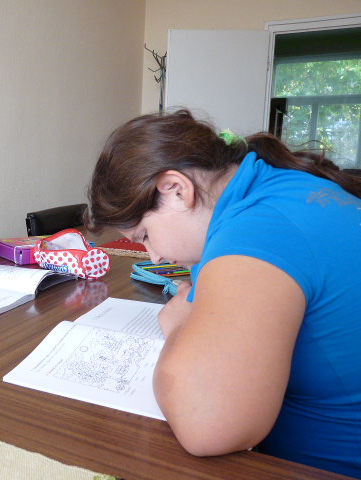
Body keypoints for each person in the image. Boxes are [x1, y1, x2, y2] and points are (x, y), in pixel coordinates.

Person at [86, 109, 361, 478]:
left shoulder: (258, 230)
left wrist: (180, 324)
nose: (154, 257)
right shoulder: (273, 186)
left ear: (176, 189)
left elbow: (207, 425)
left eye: (146, 235)